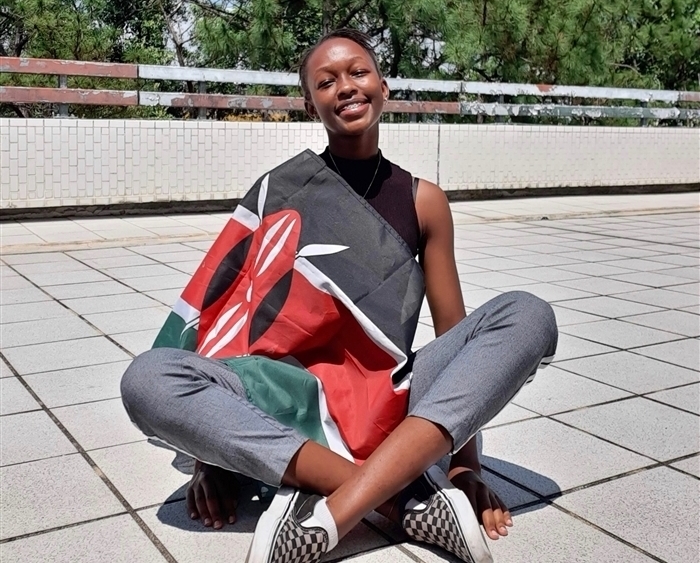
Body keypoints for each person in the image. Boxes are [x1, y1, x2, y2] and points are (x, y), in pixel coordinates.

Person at [121, 29, 558, 563]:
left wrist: (466, 469)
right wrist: (212, 456)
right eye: (326, 82)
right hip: (281, 397)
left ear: (384, 86)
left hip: (388, 400)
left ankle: (329, 508)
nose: (346, 87)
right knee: (146, 378)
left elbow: (458, 342)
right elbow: (225, 322)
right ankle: (396, 497)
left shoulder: (425, 202)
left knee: (528, 316)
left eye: (358, 72)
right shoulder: (277, 191)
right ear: (310, 104)